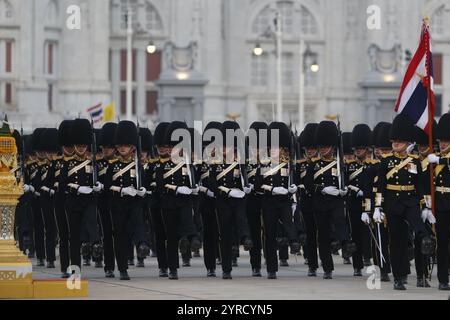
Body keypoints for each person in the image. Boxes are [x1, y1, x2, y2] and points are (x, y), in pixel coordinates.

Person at [375, 114, 431, 290]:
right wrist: (377, 206)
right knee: (397, 241)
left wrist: (426, 205)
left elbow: (422, 186)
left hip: (412, 201)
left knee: (420, 230)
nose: (396, 144)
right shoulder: (386, 161)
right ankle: (399, 276)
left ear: (408, 142)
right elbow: (380, 185)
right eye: (394, 141)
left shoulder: (416, 161)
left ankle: (426, 242)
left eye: (400, 141)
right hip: (393, 203)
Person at [103, 120, 150, 280]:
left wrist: (143, 190)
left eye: (126, 145)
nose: (122, 148)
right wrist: (122, 190)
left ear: (132, 147)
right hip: (118, 204)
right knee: (120, 236)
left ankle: (142, 244)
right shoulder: (113, 166)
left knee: (138, 223)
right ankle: (122, 268)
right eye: (120, 145)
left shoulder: (138, 165)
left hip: (135, 203)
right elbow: (107, 186)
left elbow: (144, 183)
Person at [305, 121, 351, 280]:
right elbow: (308, 184)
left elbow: (346, 180)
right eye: (322, 147)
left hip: (336, 200)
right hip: (320, 202)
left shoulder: (340, 164)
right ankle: (327, 267)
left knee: (340, 221)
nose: (324, 149)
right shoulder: (314, 165)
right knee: (323, 235)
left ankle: (345, 243)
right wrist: (322, 189)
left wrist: (345, 190)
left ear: (333, 146)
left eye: (327, 146)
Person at [254, 122, 300, 279]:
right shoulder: (265, 164)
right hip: (269, 202)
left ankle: (294, 242)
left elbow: (295, 181)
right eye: (271, 148)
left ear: (282, 148)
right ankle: (272, 269)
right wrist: (272, 189)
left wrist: (294, 187)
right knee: (270, 235)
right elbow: (258, 185)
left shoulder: (288, 164)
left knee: (289, 222)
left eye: (276, 148)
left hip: (285, 200)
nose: (273, 150)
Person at [208, 121, 253, 279]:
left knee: (242, 220)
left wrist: (248, 187)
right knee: (225, 234)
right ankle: (226, 269)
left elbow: (248, 177)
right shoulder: (215, 164)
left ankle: (245, 238)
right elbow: (212, 184)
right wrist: (227, 191)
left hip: (239, 199)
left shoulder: (241, 162)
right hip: (223, 201)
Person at [59, 119, 103, 272]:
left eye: (84, 146)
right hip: (73, 202)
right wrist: (77, 187)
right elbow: (62, 184)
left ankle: (96, 243)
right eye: (79, 146)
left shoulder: (92, 162)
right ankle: (74, 268)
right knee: (74, 237)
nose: (81, 149)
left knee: (92, 222)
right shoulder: (67, 163)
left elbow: (100, 180)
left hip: (89, 200)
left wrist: (99, 186)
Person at [426, 113, 450, 290]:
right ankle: (443, 279)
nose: (442, 144)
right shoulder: (433, 159)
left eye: (446, 141)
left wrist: (441, 160)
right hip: (440, 205)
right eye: (441, 140)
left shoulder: (440, 159)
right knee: (442, 243)